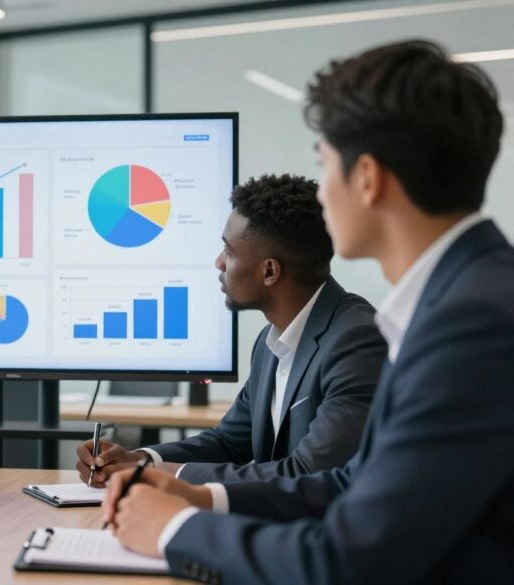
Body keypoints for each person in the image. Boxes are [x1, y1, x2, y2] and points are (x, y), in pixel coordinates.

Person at [103, 40, 513, 584]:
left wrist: (175, 528)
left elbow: (351, 559)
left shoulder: (471, 323)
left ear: (367, 177)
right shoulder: (461, 298)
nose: (321, 194)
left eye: (324, 165)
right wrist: (200, 495)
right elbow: (353, 484)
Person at [77, 174, 386, 485]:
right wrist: (140, 459)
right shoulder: (271, 343)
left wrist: (160, 474)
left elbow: (309, 474)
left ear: (269, 271)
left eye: (229, 251)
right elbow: (229, 441)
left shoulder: (356, 341)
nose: (218, 263)